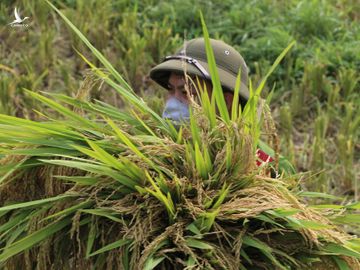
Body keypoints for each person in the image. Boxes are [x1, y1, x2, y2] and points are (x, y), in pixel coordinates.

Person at [149, 37, 274, 168]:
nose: (173, 102)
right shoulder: (154, 154)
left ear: (225, 102)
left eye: (186, 92)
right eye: (170, 89)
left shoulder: (264, 166)